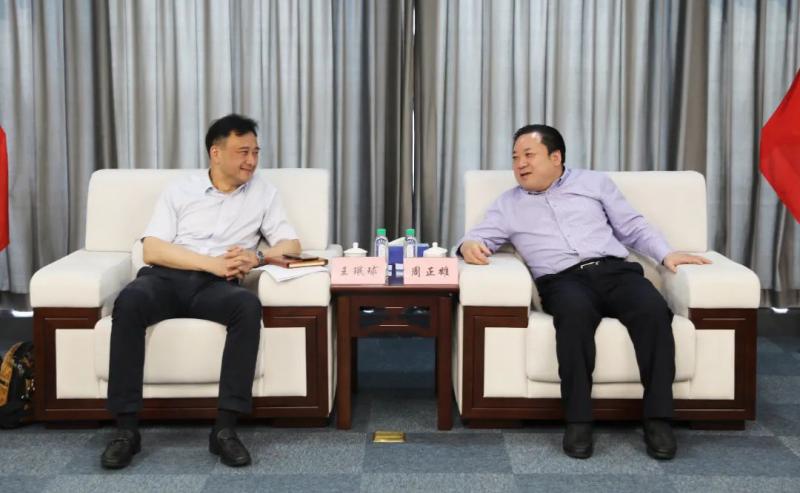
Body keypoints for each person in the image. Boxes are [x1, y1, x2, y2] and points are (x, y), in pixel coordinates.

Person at [458, 124, 710, 460]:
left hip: (615, 271)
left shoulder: (594, 184)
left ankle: (658, 419)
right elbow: (475, 238)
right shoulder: (508, 204)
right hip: (562, 281)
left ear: (556, 157)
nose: (520, 164)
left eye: (529, 155)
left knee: (652, 311)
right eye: (515, 158)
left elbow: (632, 227)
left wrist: (666, 254)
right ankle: (578, 420)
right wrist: (469, 246)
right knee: (574, 319)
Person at [101, 114, 301, 469]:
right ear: (216, 153)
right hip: (165, 280)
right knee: (130, 301)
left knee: (246, 306)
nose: (251, 161)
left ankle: (224, 429)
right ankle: (126, 430)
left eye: (255, 152)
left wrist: (256, 257)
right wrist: (210, 263)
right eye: (243, 152)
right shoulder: (181, 190)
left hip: (217, 288)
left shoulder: (263, 193)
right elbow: (152, 249)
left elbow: (291, 245)